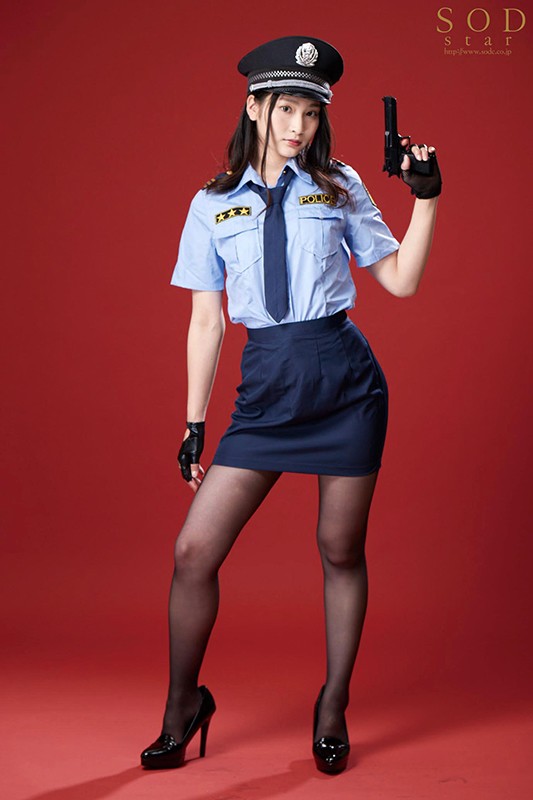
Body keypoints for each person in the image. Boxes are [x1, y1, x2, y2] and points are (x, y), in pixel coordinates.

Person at [140, 35, 441, 775]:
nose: (297, 126)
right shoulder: (211, 203)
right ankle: (183, 705)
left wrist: (427, 199)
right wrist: (194, 422)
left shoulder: (339, 185)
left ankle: (332, 706)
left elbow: (400, 281)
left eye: (310, 112)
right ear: (254, 107)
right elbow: (206, 322)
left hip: (345, 388)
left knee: (340, 550)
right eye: (284, 109)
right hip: (266, 393)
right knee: (193, 553)